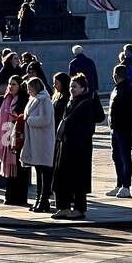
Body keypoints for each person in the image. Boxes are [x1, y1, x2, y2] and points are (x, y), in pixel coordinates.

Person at [51, 74, 97, 220]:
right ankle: (63, 207)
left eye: (75, 86)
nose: (72, 89)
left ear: (83, 88)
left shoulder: (86, 103)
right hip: (64, 145)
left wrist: (80, 142)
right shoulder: (70, 101)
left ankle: (79, 208)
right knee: (61, 177)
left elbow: (89, 128)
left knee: (78, 179)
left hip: (79, 148)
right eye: (71, 86)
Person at [21, 76, 56, 213]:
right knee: (39, 172)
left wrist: (29, 120)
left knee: (44, 172)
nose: (28, 91)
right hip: (36, 141)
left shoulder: (44, 100)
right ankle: (39, 199)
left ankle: (44, 200)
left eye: (30, 88)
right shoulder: (34, 100)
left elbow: (45, 119)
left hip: (43, 141)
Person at [0, 74, 30, 206]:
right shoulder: (4, 99)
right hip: (7, 139)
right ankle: (10, 196)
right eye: (9, 84)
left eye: (14, 84)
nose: (10, 87)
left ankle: (21, 197)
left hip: (19, 139)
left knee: (21, 170)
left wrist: (18, 118)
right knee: (11, 171)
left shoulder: (23, 100)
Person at [107, 64, 132, 197]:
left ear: (116, 75)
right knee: (117, 156)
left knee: (124, 157)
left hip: (123, 128)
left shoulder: (127, 89)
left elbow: (127, 112)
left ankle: (126, 186)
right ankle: (120, 184)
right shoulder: (118, 88)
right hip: (116, 128)